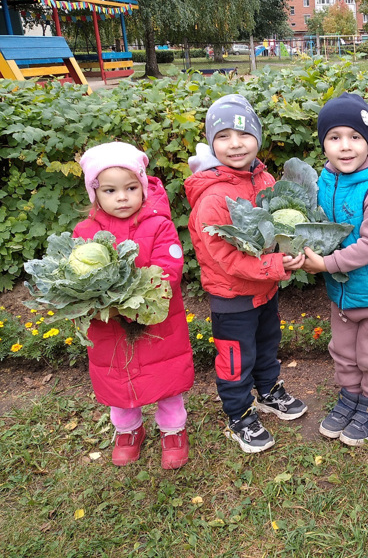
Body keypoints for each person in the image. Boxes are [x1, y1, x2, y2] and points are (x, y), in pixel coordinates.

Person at [185, 94, 307, 454]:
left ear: (258, 137)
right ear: (211, 144)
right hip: (231, 296)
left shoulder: (264, 178)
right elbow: (222, 257)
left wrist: (290, 253)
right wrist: (272, 266)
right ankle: (238, 414)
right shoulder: (213, 197)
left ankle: (268, 392)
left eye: (243, 134)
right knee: (236, 358)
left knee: (267, 347)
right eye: (222, 137)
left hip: (265, 290)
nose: (235, 144)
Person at [74, 142, 195, 470]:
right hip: (109, 327)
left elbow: (169, 269)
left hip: (157, 321)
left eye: (131, 188)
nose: (122, 197)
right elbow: (74, 275)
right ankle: (128, 431)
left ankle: (173, 430)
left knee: (166, 376)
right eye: (110, 190)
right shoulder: (84, 233)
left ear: (143, 187)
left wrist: (132, 297)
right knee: (117, 378)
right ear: (94, 194)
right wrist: (93, 300)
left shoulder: (160, 225)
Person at [302, 92, 368, 447]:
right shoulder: (326, 180)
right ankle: (350, 397)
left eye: (355, 137)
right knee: (343, 351)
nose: (345, 147)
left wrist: (325, 263)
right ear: (323, 144)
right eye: (334, 138)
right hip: (342, 292)